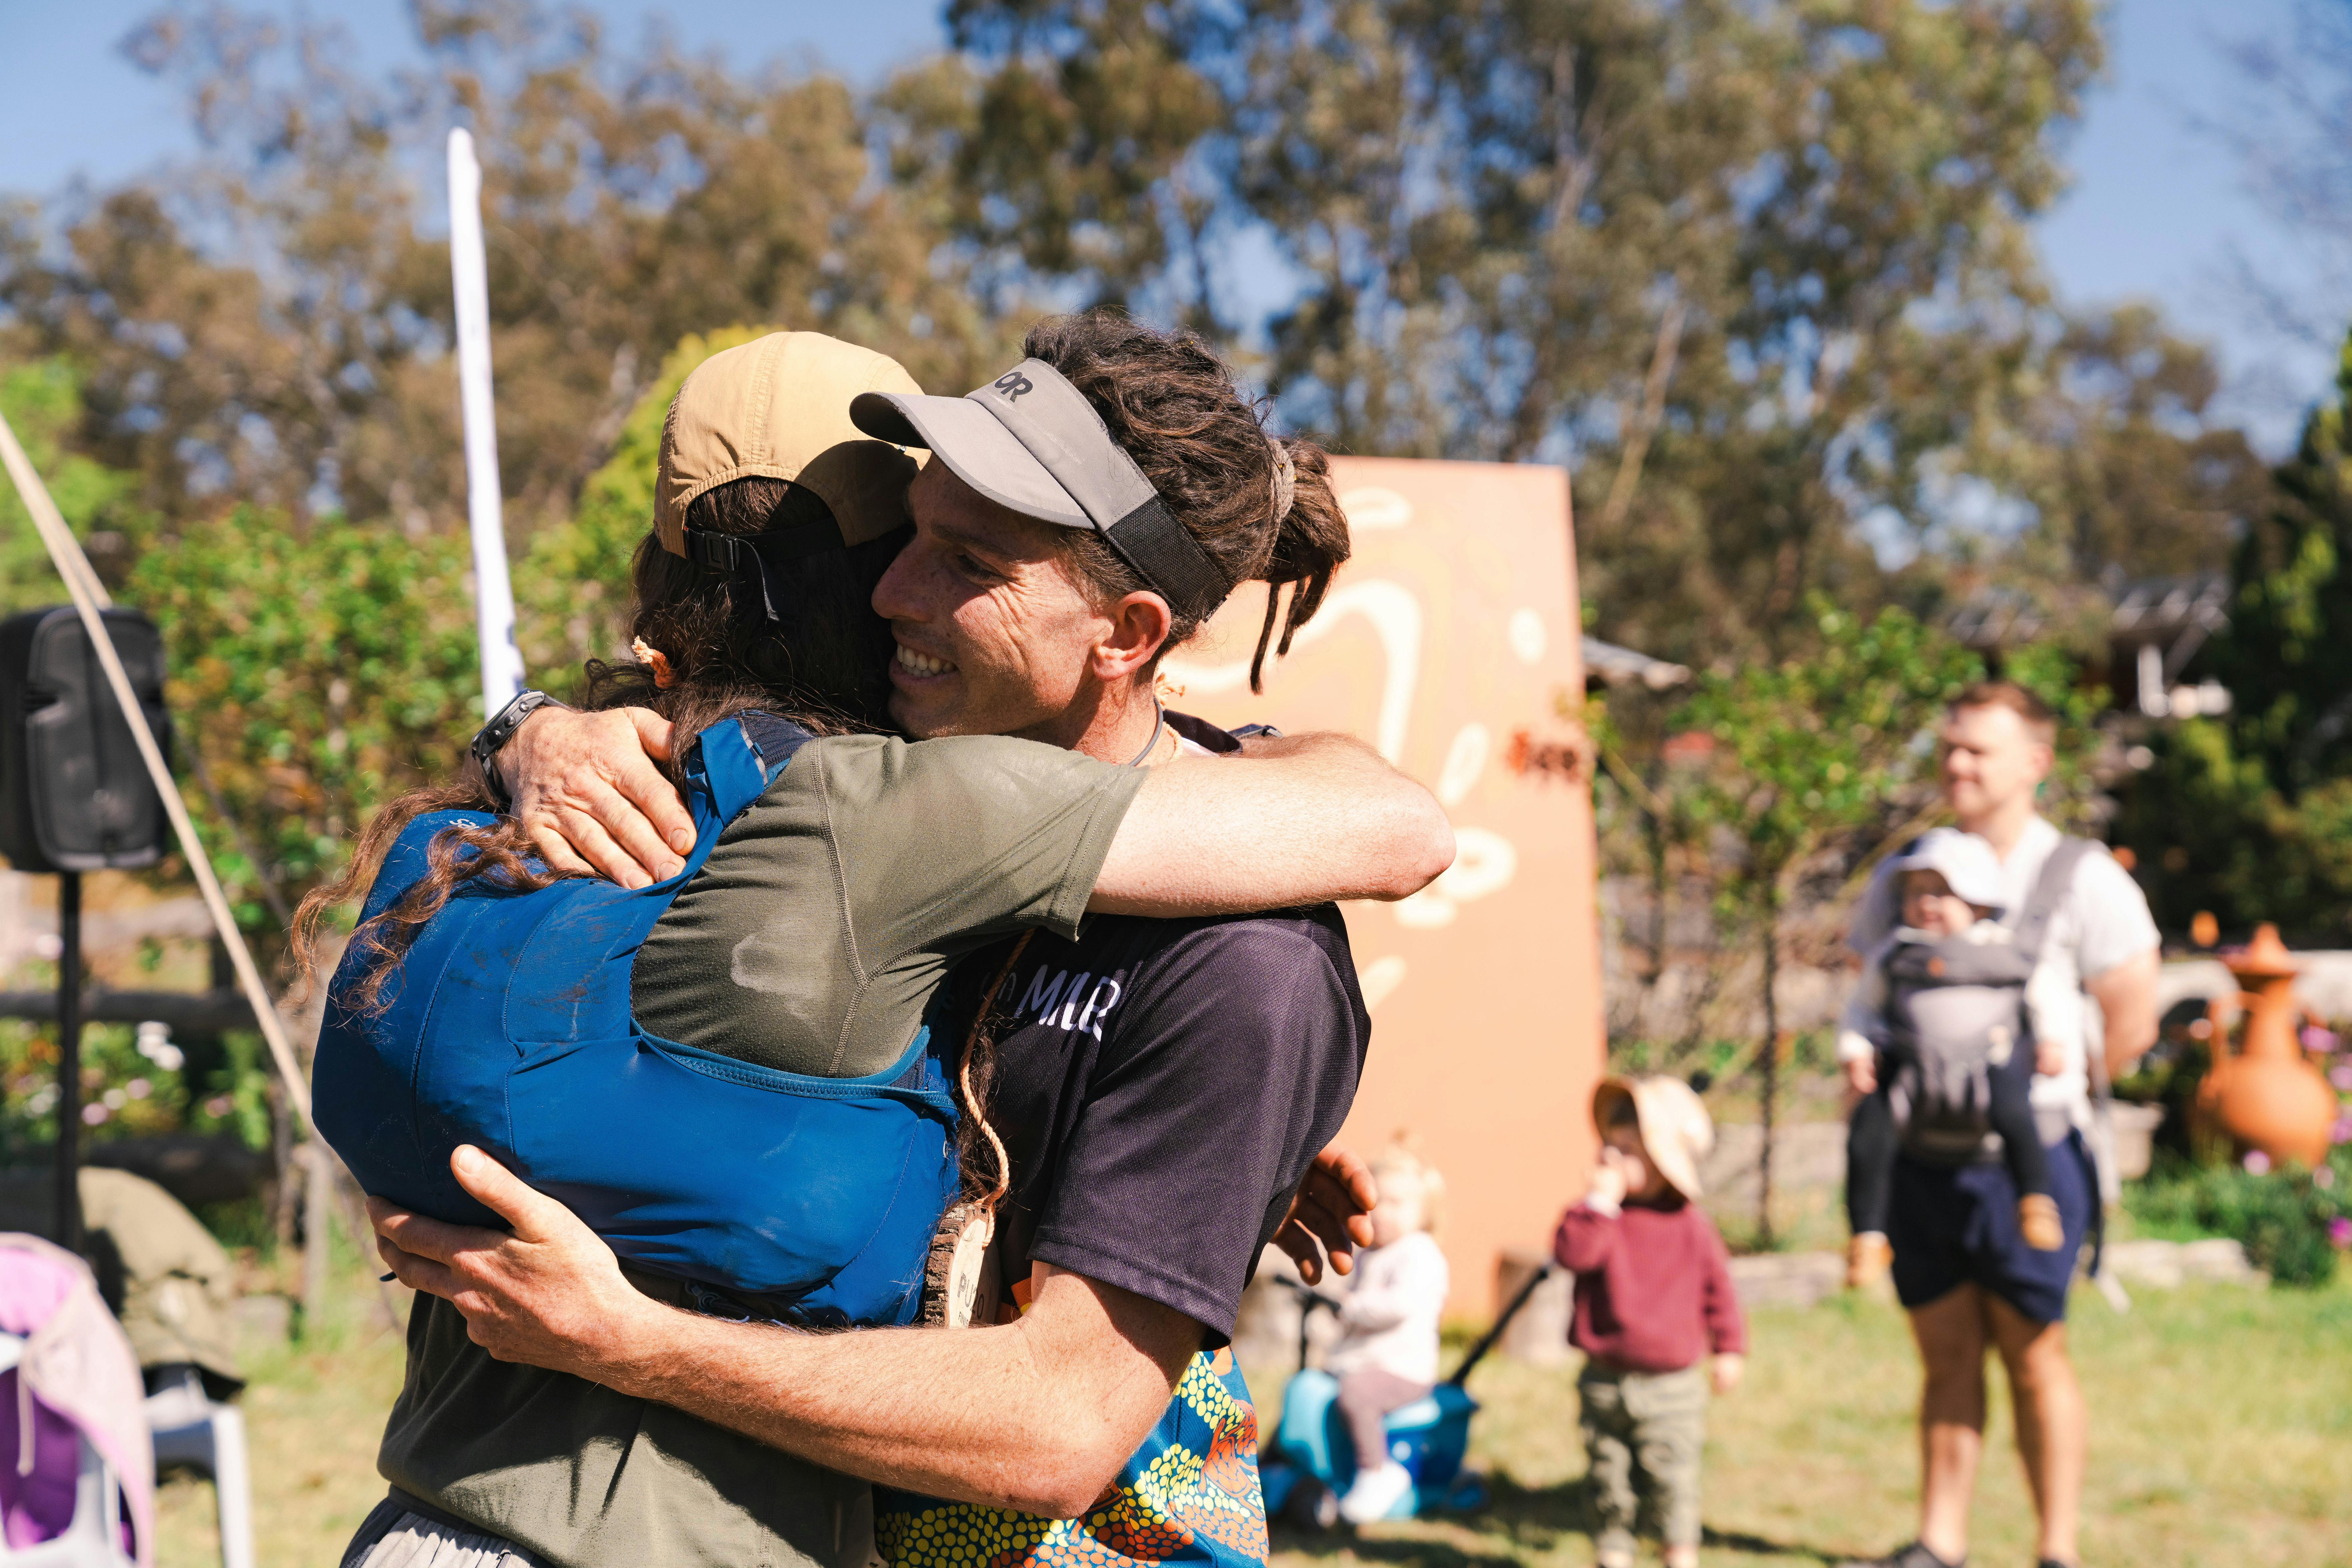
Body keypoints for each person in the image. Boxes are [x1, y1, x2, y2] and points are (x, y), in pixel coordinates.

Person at [365, 313, 1439, 1568]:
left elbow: (1063, 1425)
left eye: (963, 560)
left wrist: (632, 1340)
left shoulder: (1236, 965)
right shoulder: (835, 794)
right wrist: (539, 729)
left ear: (1127, 633)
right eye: (903, 536)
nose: (888, 596)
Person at [1841, 682, 2159, 1568]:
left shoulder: (2083, 877)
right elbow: (1870, 986)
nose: (1957, 765)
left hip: (2030, 1162)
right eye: (1949, 748)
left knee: (2034, 1351)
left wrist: (2045, 1089)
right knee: (1944, 1352)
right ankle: (1939, 1543)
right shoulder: (1903, 874)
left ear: (2035, 762)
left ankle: (2057, 1550)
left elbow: (2130, 1012)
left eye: (1978, 749)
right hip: (1921, 1158)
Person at [1840, 827, 2067, 1293]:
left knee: (2016, 1109)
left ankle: (2036, 1199)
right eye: (1916, 892)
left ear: (1980, 900)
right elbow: (1861, 1007)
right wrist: (1856, 1050)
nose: (1926, 903)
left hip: (1989, 1067)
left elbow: (2047, 997)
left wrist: (2053, 1040)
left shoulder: (2005, 952)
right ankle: (1866, 1235)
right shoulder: (1897, 953)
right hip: (1912, 1075)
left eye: (1942, 892)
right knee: (1869, 1131)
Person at [1552, 1075, 1745, 1568]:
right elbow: (1574, 1255)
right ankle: (1614, 1551)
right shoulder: (1597, 1218)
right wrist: (1599, 1202)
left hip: (1671, 1387)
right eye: (1609, 1148)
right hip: (1604, 1380)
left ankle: (1679, 1553)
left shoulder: (1690, 1225)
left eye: (1629, 1151)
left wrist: (1729, 1348)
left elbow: (1719, 1289)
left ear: (1663, 1160)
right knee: (1607, 1475)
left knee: (1672, 1477)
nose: (1611, 1162)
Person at [1322, 1138, 1449, 1525]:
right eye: (1377, 1203)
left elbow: (1399, 1304)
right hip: (1365, 1361)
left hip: (1401, 1368)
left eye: (1398, 1204)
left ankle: (1377, 1472)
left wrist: (1352, 1306)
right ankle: (1280, 1462)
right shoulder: (1370, 1252)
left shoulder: (1420, 1252)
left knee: (1358, 1395)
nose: (1383, 1214)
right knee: (1315, 1383)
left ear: (1424, 1211)